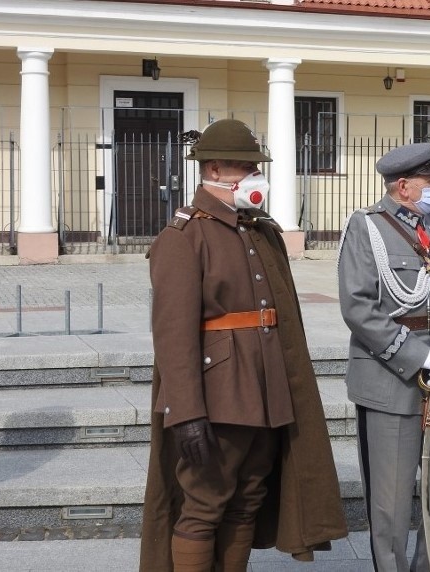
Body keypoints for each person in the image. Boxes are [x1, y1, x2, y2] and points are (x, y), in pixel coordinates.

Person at [140, 118, 347, 572]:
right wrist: (186, 411)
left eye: (255, 167)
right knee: (204, 503)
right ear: (214, 170)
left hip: (267, 390)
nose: (256, 177)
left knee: (247, 497)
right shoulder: (184, 237)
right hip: (218, 397)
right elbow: (173, 336)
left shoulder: (257, 230)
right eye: (246, 168)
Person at [337, 142, 430, 572]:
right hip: (391, 382)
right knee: (391, 503)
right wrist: (421, 358)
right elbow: (359, 307)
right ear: (404, 186)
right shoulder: (366, 228)